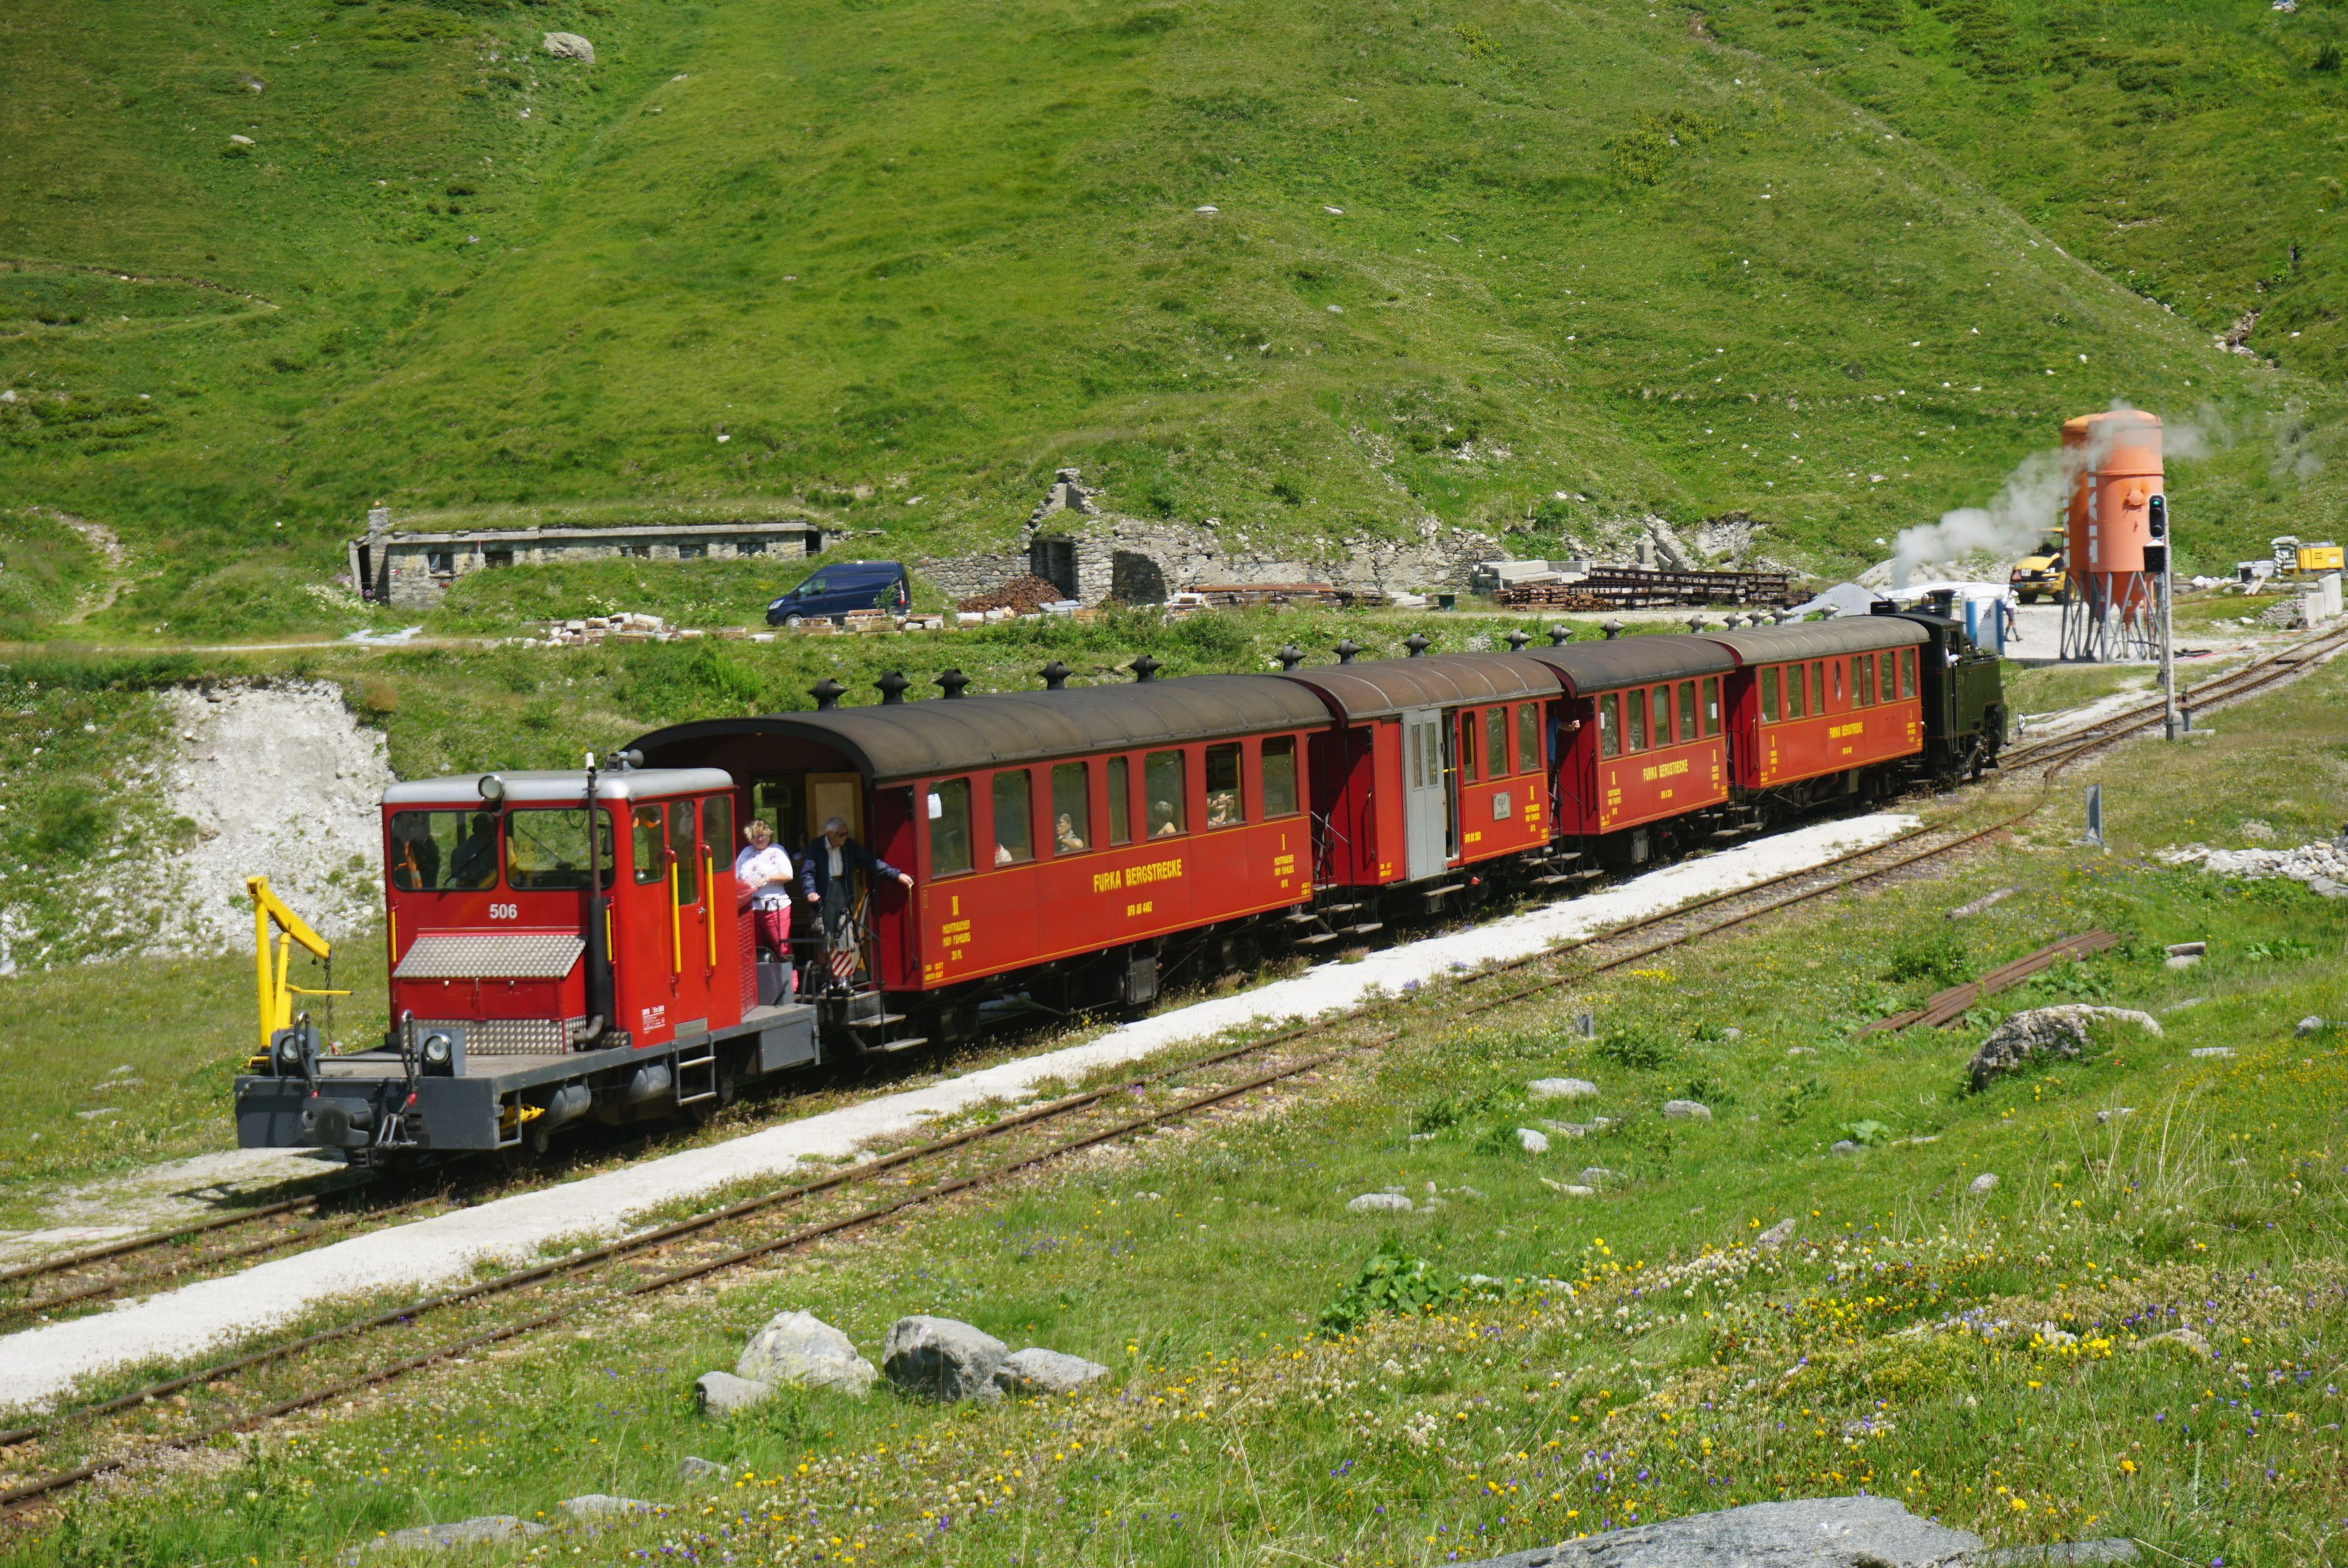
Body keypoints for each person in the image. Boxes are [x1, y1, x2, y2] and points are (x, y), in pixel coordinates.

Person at [802, 817, 912, 990]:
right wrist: (810, 892)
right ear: (830, 834)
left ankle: (844, 978)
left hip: (842, 891)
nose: (846, 837)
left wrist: (896, 875)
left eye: (847, 833)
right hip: (824, 895)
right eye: (842, 834)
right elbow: (807, 873)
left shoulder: (849, 846)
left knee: (845, 934)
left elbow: (870, 862)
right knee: (825, 936)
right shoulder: (817, 846)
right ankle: (827, 980)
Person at [733, 819, 796, 965]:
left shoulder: (777, 851)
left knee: (782, 947)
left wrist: (766, 878)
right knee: (753, 949)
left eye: (763, 835)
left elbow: (788, 875)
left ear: (769, 836)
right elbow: (736, 877)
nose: (760, 839)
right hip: (751, 909)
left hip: (775, 907)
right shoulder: (746, 852)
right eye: (756, 836)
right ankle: (759, 979)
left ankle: (790, 979)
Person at [446, 812, 500, 890]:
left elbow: (455, 878)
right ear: (490, 831)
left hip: (463, 893)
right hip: (487, 891)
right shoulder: (494, 849)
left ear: (473, 829)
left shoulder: (457, 851)